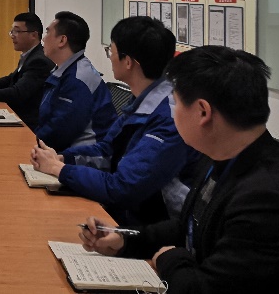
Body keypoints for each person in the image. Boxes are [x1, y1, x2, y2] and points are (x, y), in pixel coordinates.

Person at [80, 46, 279, 292]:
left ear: (203, 112)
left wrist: (170, 259)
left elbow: (203, 288)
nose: (172, 113)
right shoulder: (224, 155)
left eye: (176, 103)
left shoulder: (268, 200)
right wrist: (124, 238)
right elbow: (187, 226)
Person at [31, 16, 198, 225]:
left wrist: (59, 169)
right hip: (130, 214)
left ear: (128, 62)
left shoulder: (169, 117)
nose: (109, 57)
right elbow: (107, 150)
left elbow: (122, 188)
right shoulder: (143, 99)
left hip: (155, 227)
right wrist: (62, 158)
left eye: (111, 51)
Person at [35, 11, 115, 150]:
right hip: (63, 150)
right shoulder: (62, 70)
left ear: (62, 40)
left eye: (47, 33)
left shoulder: (79, 78)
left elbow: (61, 130)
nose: (43, 39)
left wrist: (32, 142)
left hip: (84, 155)